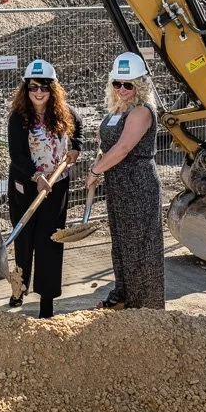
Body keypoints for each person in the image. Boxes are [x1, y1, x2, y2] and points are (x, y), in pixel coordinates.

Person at [85, 52, 164, 310]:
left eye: (128, 85)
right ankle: (123, 294)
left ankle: (144, 303)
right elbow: (107, 144)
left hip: (137, 181)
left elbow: (123, 147)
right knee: (121, 241)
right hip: (118, 182)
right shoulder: (119, 108)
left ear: (140, 84)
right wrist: (101, 161)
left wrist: (96, 171)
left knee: (140, 243)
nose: (122, 89)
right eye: (117, 83)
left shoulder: (142, 111)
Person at [6, 59, 81, 316]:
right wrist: (36, 176)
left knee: (50, 240)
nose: (39, 92)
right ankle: (19, 289)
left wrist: (75, 148)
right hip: (25, 187)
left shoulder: (64, 113)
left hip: (56, 187)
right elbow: (17, 154)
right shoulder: (18, 118)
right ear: (25, 89)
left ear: (53, 89)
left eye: (45, 87)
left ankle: (46, 301)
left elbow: (78, 129)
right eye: (33, 87)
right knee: (24, 240)